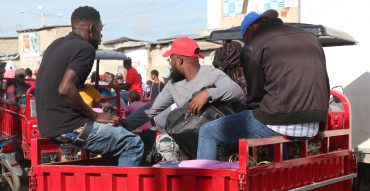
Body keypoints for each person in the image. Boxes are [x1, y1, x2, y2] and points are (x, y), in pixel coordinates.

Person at [196, 9, 330, 160]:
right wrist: (320, 127)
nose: (245, 42)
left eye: (244, 38)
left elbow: (255, 96)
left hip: (279, 121)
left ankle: (204, 183)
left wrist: (247, 112)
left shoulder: (254, 46)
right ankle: (279, 176)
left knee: (207, 132)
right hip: (311, 125)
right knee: (271, 120)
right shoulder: (310, 38)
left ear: (252, 29)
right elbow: (324, 83)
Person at [35, 6, 143, 166]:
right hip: (70, 126)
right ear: (92, 29)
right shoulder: (85, 49)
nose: (101, 36)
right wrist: (95, 116)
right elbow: (65, 88)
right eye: (100, 31)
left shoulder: (55, 44)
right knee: (133, 143)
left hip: (48, 126)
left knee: (117, 131)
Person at [124, 37, 244, 133]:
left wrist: (207, 94)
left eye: (171, 60)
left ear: (179, 60)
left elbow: (237, 91)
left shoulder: (211, 74)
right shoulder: (173, 85)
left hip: (220, 140)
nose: (170, 64)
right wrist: (123, 124)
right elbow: (151, 109)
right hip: (189, 140)